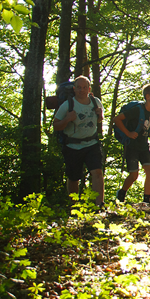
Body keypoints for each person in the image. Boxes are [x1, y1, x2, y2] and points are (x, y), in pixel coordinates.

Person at [52, 75, 105, 209]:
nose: (81, 90)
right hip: (72, 146)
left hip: (92, 143)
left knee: (97, 173)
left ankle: (99, 206)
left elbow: (99, 120)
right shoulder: (68, 105)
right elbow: (56, 125)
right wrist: (67, 119)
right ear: (74, 89)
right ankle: (73, 208)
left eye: (84, 87)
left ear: (89, 89)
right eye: (79, 87)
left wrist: (100, 116)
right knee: (74, 177)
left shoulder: (96, 101)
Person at [114, 84, 150, 205]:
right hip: (132, 146)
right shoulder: (137, 110)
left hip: (144, 146)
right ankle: (122, 193)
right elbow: (117, 119)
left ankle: (146, 199)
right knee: (134, 175)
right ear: (148, 96)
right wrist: (128, 133)